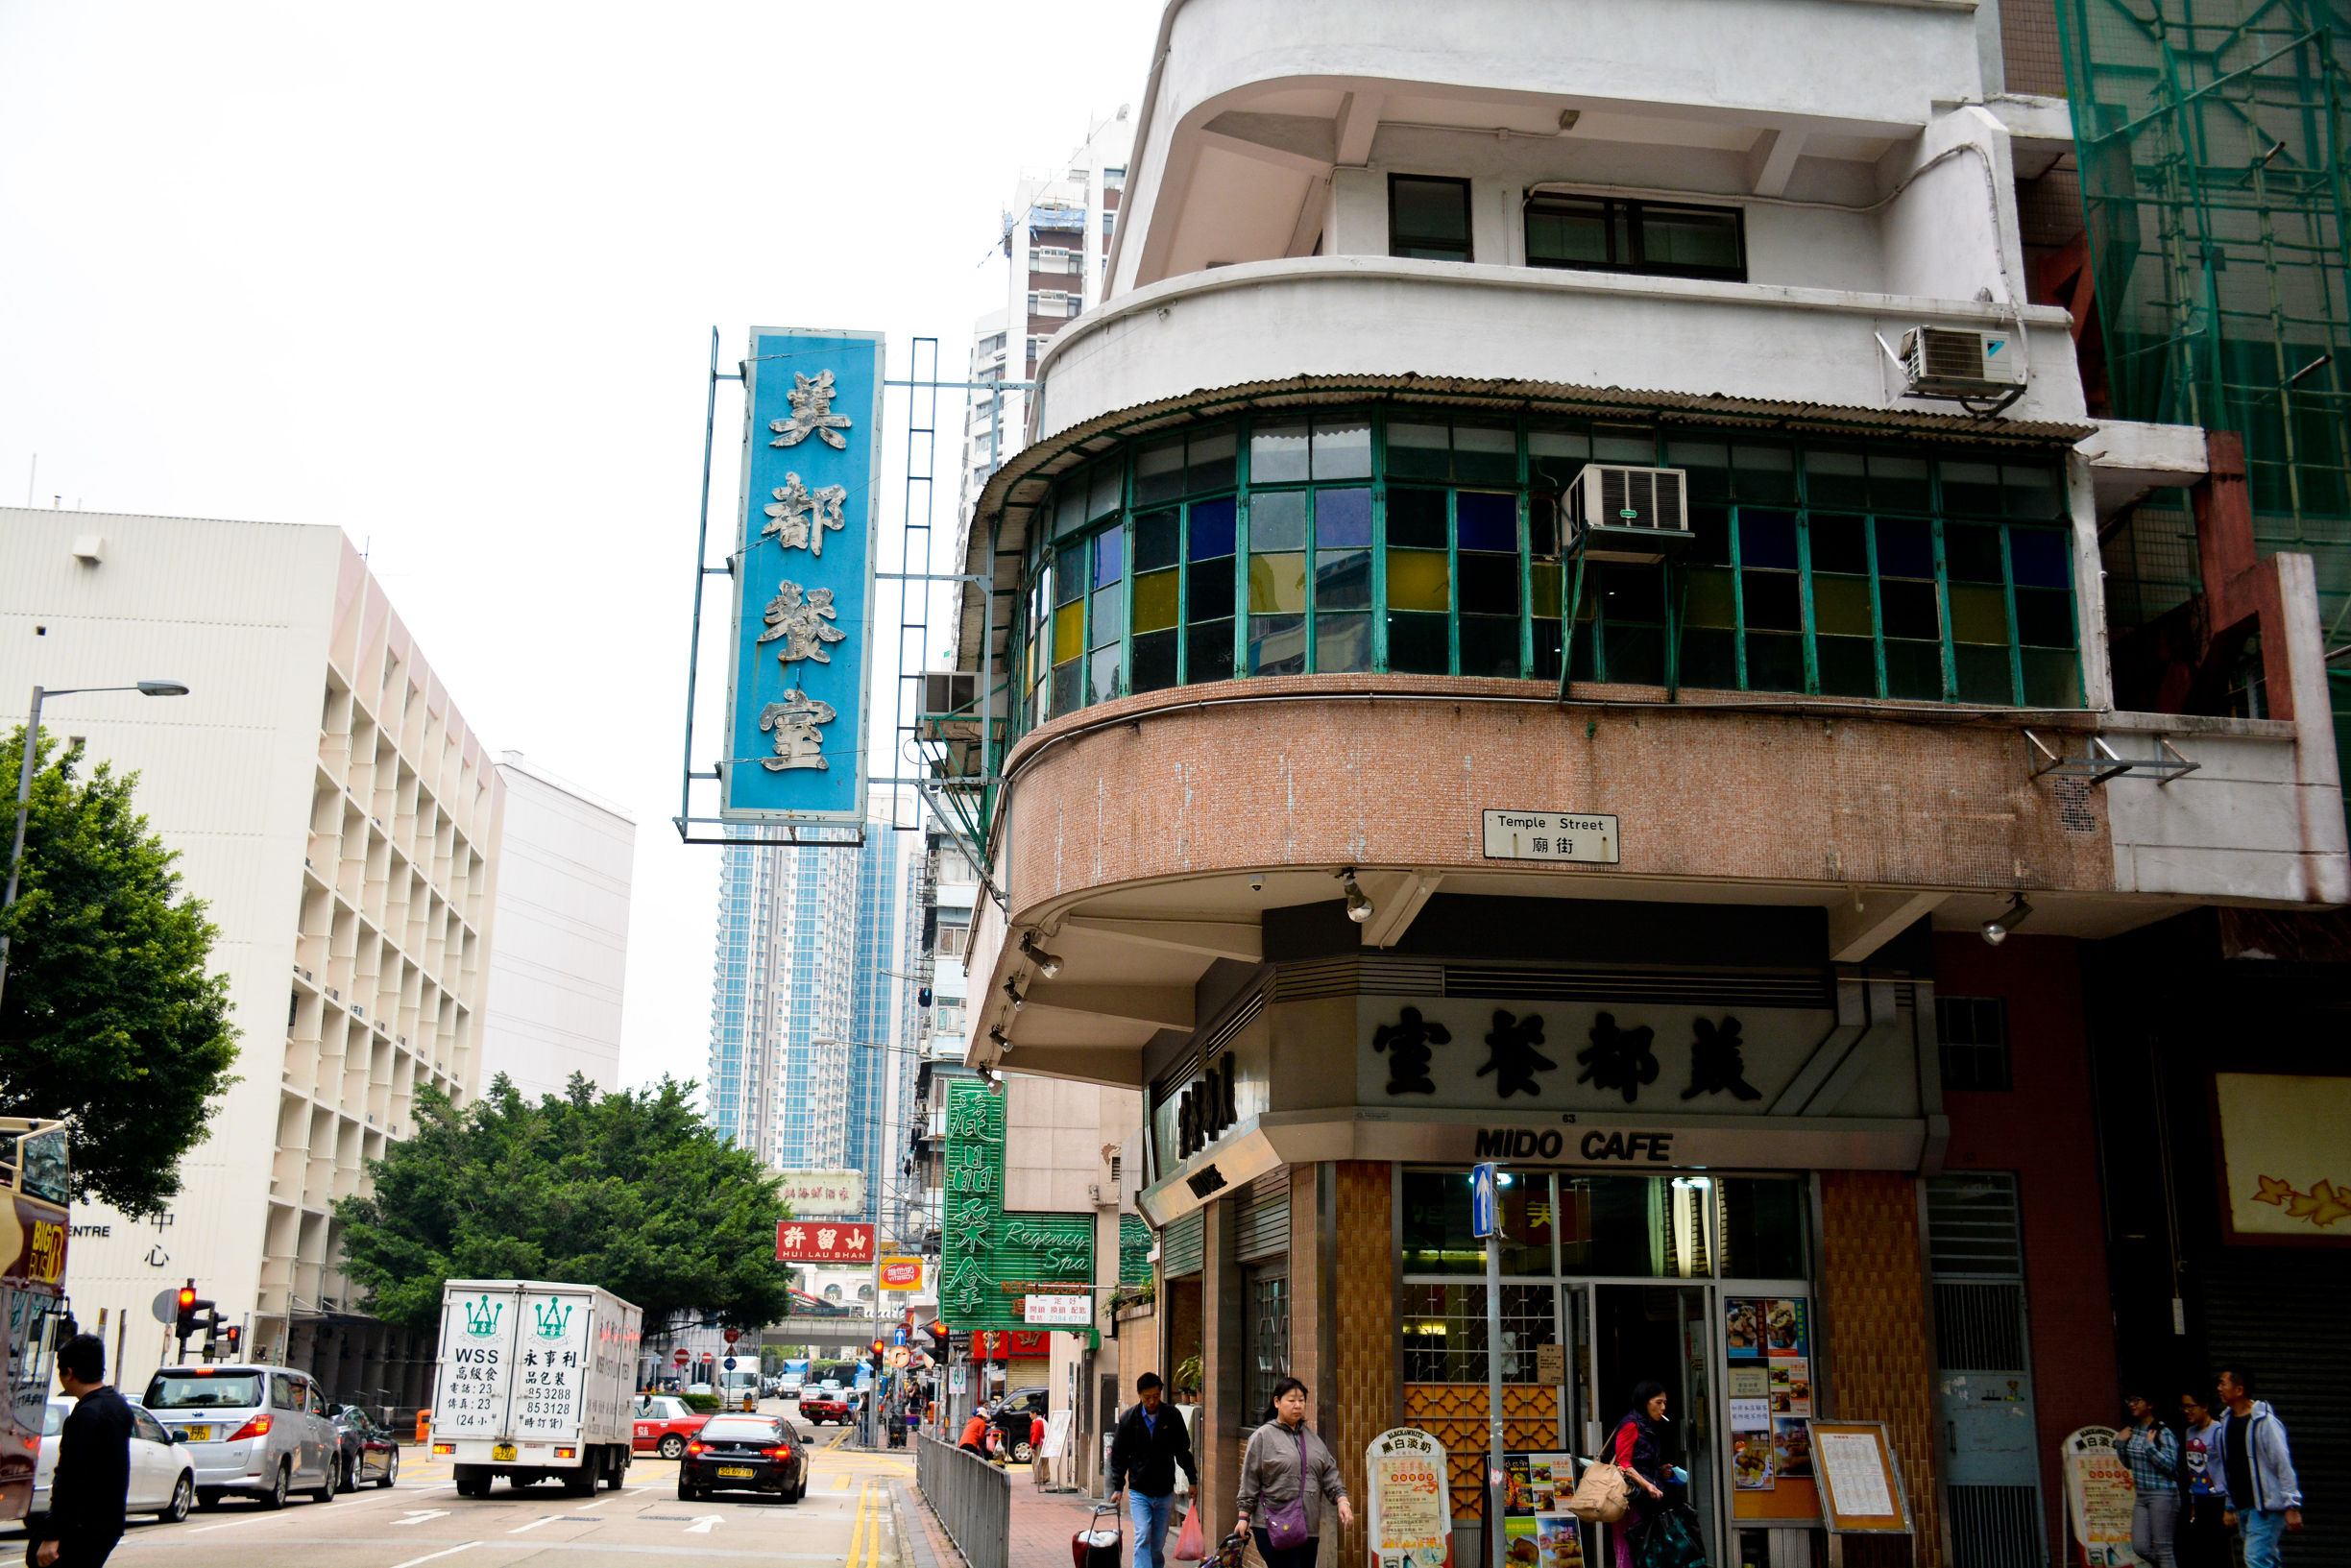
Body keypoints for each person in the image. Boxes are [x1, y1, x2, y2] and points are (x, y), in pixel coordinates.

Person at [32, 1334, 133, 1568]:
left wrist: (52, 1534)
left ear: (69, 1372)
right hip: (109, 1522)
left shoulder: (86, 1415)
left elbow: (71, 1477)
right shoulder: (118, 1406)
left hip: (80, 1525)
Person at [1234, 1377, 1351, 1568]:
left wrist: (1342, 1501)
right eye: (1292, 1400)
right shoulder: (1262, 1437)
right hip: (1273, 1523)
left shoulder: (1312, 1438)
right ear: (1277, 1402)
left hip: (1308, 1526)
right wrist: (1243, 1517)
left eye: (1302, 1400)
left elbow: (1329, 1473)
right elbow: (1250, 1480)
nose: (1298, 1405)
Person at [2211, 1367, 2301, 1568]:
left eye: (2223, 1384)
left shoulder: (2265, 1422)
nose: (2219, 1388)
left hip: (2266, 1507)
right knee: (2266, 1559)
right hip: (2243, 1506)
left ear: (2239, 1390)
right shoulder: (2226, 1421)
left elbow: (2283, 1463)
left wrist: (2291, 1504)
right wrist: (2229, 1505)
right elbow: (2229, 1466)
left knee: (2255, 1559)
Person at [1110, 1373, 1200, 1568]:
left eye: (1156, 1396)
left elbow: (1182, 1451)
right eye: (1147, 1397)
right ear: (1139, 1395)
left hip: (1165, 1490)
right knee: (1143, 1535)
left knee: (1158, 1543)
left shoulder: (1172, 1416)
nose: (1152, 1402)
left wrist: (1192, 1480)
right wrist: (1118, 1487)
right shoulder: (1129, 1419)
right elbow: (1119, 1455)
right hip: (1139, 1490)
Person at [1607, 1383, 1677, 1568]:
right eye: (1658, 1402)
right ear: (1645, 1402)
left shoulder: (1646, 1425)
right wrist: (1648, 1485)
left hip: (1643, 1497)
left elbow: (1640, 1460)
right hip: (1631, 1497)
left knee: (1645, 1549)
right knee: (1631, 1548)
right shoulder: (1631, 1424)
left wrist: (1659, 1470)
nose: (1663, 1407)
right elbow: (1624, 1463)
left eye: (1665, 1403)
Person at [2118, 1391, 2180, 1568]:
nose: (2132, 1404)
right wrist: (2120, 1444)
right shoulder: (2133, 1430)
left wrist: (2151, 1448)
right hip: (2142, 1495)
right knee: (2140, 1546)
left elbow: (2171, 1466)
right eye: (2129, 1400)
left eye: (2137, 1400)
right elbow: (2129, 1464)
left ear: (2150, 1404)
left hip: (2163, 1494)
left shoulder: (2162, 1431)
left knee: (2164, 1548)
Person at [2177, 1388, 2231, 1568]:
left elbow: (2228, 1468)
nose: (2187, 1411)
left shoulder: (2218, 1431)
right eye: (2184, 1407)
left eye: (2191, 1406)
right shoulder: (2189, 1432)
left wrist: (2229, 1507)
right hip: (2200, 1500)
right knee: (2200, 1553)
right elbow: (2192, 1469)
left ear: (2205, 1406)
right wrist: (2193, 1503)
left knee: (2220, 1553)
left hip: (2218, 1500)